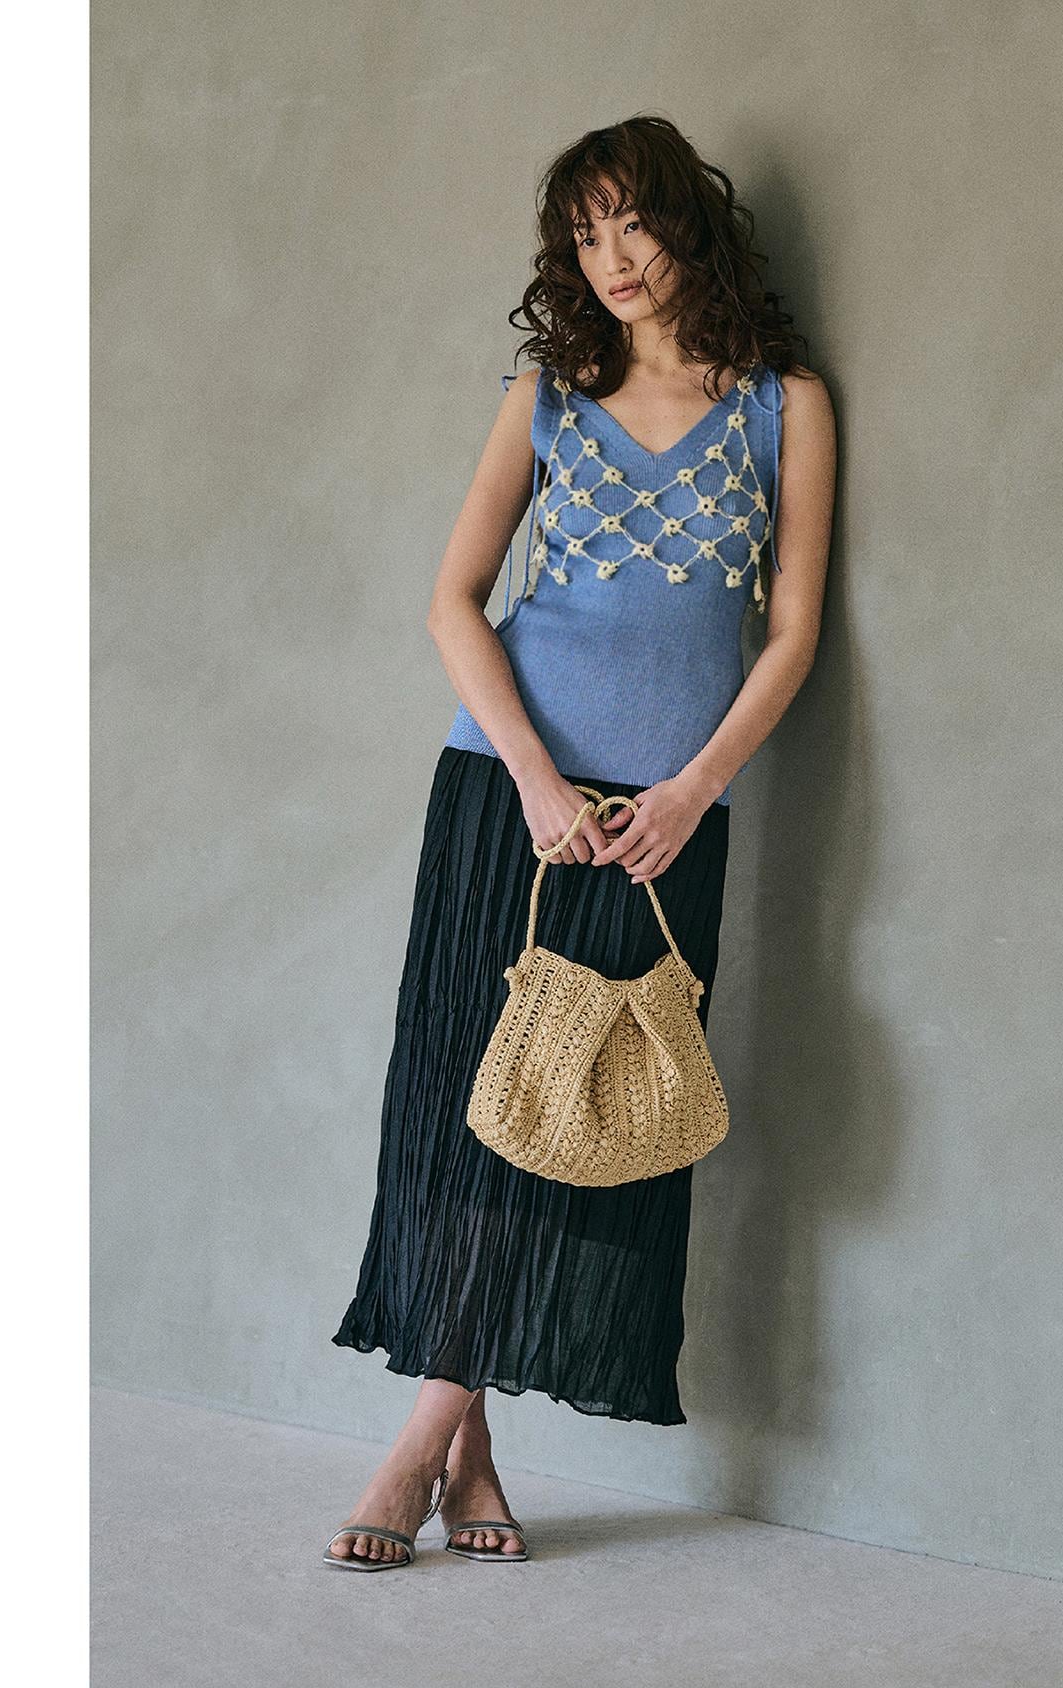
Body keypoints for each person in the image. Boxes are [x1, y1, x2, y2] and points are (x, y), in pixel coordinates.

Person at [324, 113, 835, 1570]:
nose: (611, 257)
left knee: (585, 1121)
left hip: (663, 825)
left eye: (633, 222)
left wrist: (691, 791)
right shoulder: (548, 395)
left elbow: (792, 631)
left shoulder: (783, 405)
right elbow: (453, 602)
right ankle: (446, 1445)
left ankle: (444, 1443)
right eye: (584, 232)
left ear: (689, 223)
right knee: (466, 1109)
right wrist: (539, 781)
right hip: (508, 796)